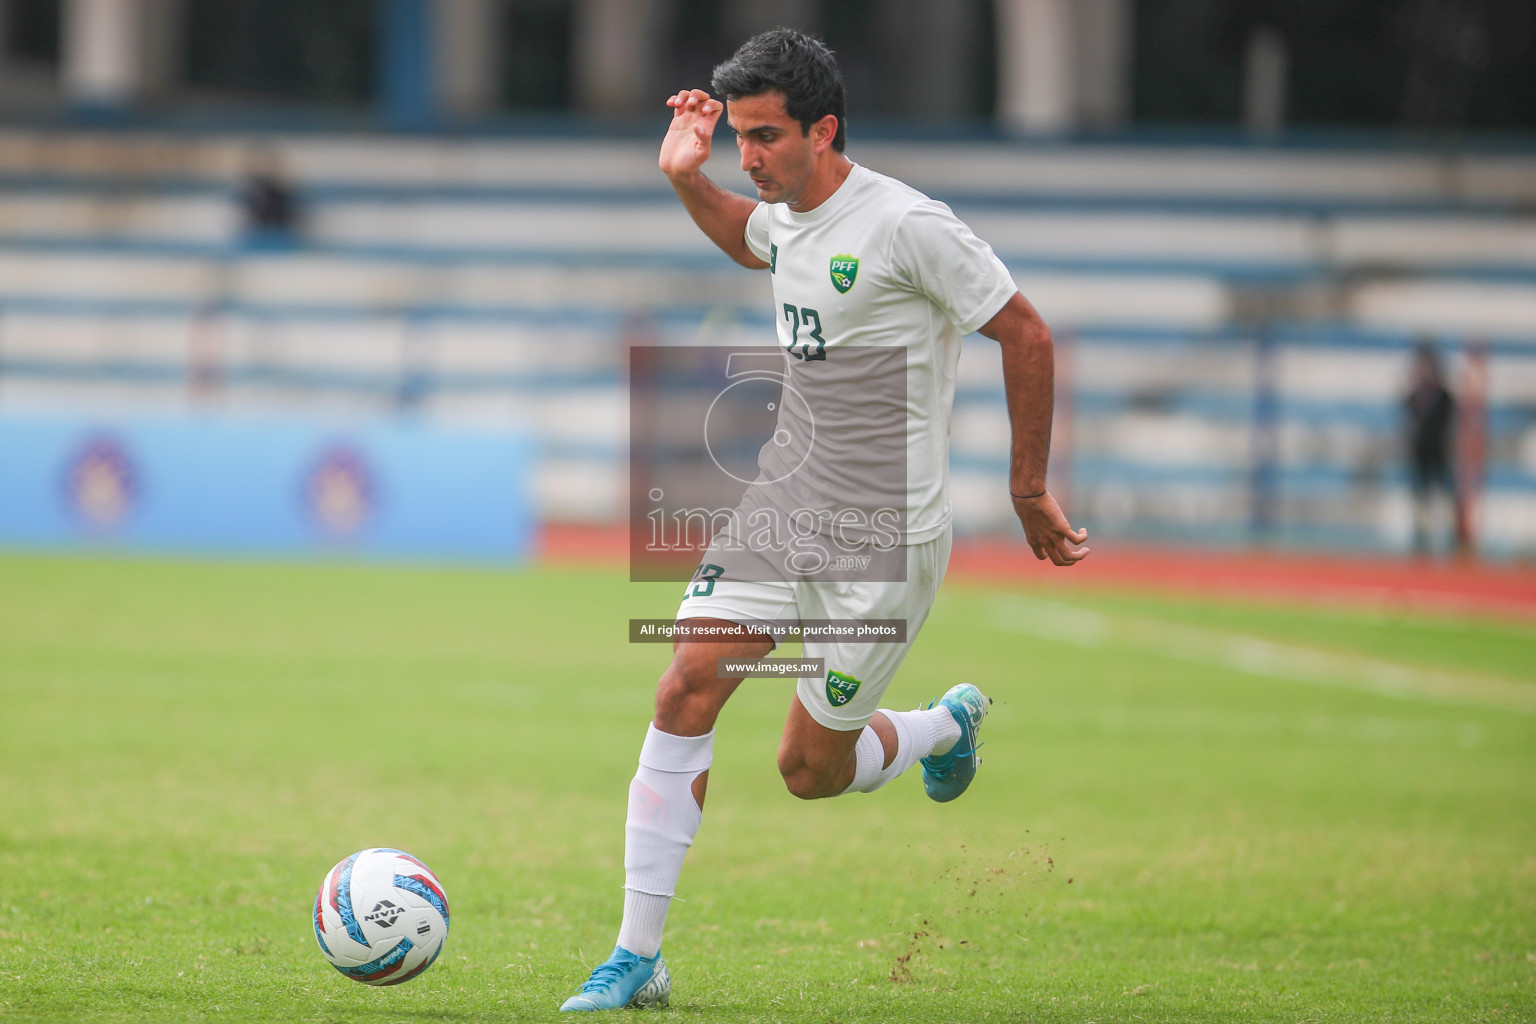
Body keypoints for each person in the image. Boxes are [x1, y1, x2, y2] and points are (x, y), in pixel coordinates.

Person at [559, 28, 1089, 1013]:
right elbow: (753, 240)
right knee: (685, 684)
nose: (747, 157)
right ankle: (636, 957)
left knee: (808, 769)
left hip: (884, 539)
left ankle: (942, 725)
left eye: (764, 138)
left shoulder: (907, 227)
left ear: (825, 129)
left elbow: (1025, 329)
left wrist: (1027, 489)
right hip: (782, 504)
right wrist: (686, 179)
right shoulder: (783, 210)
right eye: (740, 139)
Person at [1405, 340, 1456, 555]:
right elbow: (1408, 425)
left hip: (1440, 452)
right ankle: (1421, 538)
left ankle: (1452, 539)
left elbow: (1450, 426)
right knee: (1420, 496)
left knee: (1445, 496)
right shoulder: (1413, 397)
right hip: (1420, 453)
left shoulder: (1444, 397)